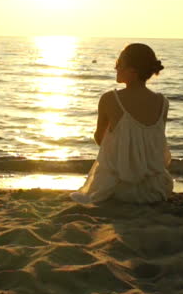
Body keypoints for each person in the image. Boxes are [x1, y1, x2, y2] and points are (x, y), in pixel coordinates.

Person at [71, 43, 173, 204]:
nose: (115, 68)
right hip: (154, 189)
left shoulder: (110, 99)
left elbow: (100, 139)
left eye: (119, 64)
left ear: (133, 71)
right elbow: (156, 145)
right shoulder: (163, 102)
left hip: (117, 189)